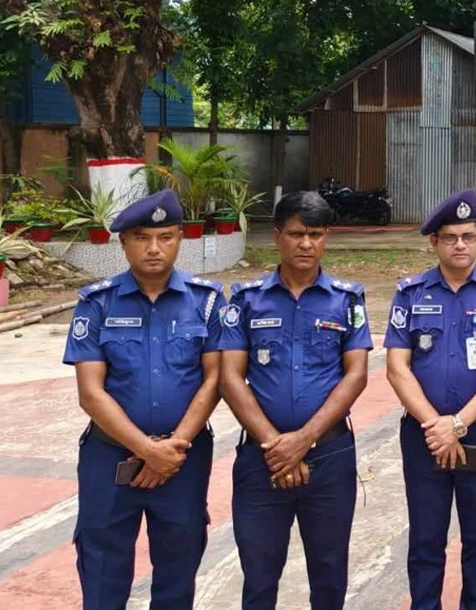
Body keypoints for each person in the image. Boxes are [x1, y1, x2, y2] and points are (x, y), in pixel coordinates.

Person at [63, 189, 224, 609]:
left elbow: (215, 380)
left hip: (182, 459)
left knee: (178, 565)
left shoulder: (206, 302)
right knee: (102, 570)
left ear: (180, 239)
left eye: (166, 236)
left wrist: (172, 449)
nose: (154, 248)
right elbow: (90, 392)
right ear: (123, 243)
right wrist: (147, 450)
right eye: (141, 237)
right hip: (111, 458)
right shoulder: (96, 303)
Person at [217, 191, 372, 609]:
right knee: (260, 574)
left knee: (329, 572)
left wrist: (303, 440)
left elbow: (356, 375)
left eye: (316, 235)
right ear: (277, 237)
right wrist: (277, 446)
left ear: (326, 238)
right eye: (297, 234)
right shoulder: (246, 301)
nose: (307, 244)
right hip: (261, 460)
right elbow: (230, 377)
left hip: (330, 457)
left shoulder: (347, 299)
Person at [384, 189, 476, 610]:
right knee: (427, 534)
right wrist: (436, 427)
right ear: (434, 242)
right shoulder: (410, 294)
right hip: (424, 435)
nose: (460, 244)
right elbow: (396, 368)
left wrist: (457, 424)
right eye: (450, 237)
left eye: (468, 235)